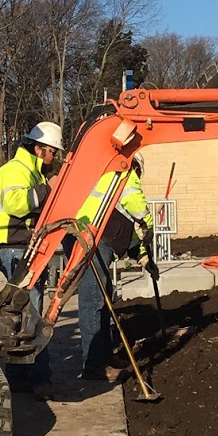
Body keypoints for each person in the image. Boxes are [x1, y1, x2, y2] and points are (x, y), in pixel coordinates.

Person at [0, 121, 65, 397]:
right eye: (53, 152)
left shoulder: (30, 171)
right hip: (16, 247)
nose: (54, 158)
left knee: (21, 312)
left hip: (20, 247)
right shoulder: (17, 171)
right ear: (40, 149)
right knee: (32, 313)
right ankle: (38, 379)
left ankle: (18, 377)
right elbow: (17, 205)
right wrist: (48, 189)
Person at [73, 156, 151, 383]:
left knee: (104, 302)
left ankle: (106, 356)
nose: (137, 176)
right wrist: (148, 225)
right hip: (91, 240)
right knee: (93, 302)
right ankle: (94, 366)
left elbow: (125, 226)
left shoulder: (112, 181)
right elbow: (137, 208)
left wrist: (143, 255)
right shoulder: (123, 175)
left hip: (98, 239)